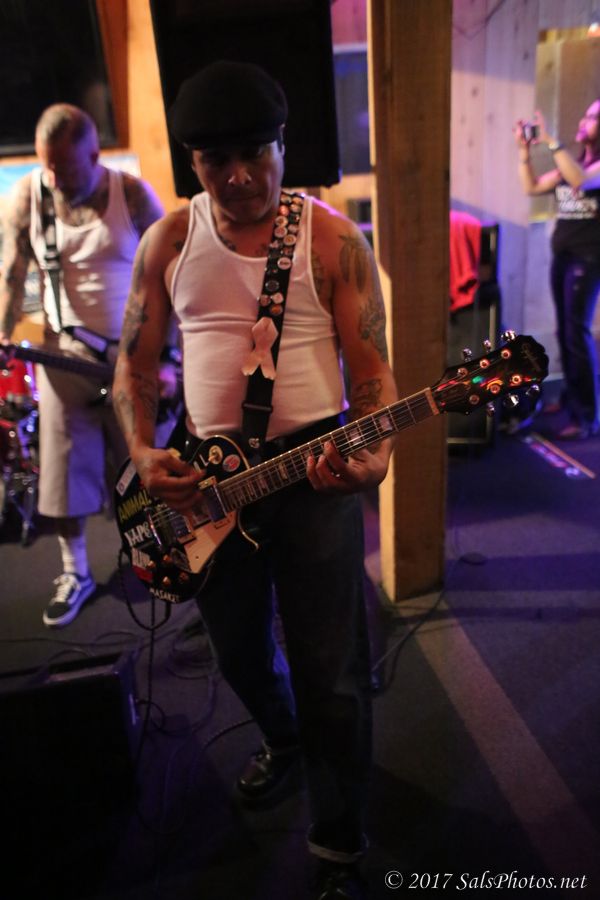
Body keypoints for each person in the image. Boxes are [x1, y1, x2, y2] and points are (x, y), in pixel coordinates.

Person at [112, 61, 397, 899]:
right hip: (204, 483)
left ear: (282, 145)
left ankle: (338, 843)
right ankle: (285, 737)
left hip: (311, 476)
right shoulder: (169, 240)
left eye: (254, 153)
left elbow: (373, 372)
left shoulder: (333, 239)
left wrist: (376, 456)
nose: (238, 175)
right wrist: (142, 451)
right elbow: (135, 366)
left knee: (330, 671)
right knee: (235, 651)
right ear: (192, 163)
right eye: (216, 159)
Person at [0, 103, 168, 627]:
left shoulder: (133, 195)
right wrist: (3, 332)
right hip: (64, 359)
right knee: (63, 472)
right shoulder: (29, 196)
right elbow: (11, 271)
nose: (55, 179)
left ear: (95, 156)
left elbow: (171, 275)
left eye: (66, 169)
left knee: (144, 468)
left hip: (133, 359)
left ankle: (157, 557)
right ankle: (75, 572)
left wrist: (172, 356)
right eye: (47, 166)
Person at [514, 101, 600, 440]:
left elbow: (581, 181)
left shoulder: (588, 169)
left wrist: (552, 141)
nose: (584, 120)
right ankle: (571, 399)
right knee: (564, 330)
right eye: (586, 114)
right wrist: (524, 153)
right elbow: (532, 187)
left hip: (588, 258)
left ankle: (588, 416)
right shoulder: (574, 163)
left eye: (593, 117)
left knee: (576, 332)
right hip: (563, 257)